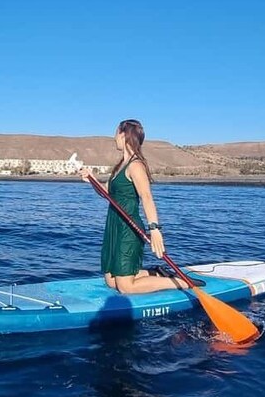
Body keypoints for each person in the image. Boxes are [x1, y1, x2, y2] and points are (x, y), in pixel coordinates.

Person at [79, 119, 197, 294]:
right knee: (112, 282)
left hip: (129, 228)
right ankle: (155, 273)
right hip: (114, 225)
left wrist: (155, 229)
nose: (114, 138)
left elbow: (147, 197)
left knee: (125, 287)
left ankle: (180, 283)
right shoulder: (120, 166)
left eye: (115, 133)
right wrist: (91, 180)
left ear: (123, 135)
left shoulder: (135, 165)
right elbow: (108, 194)